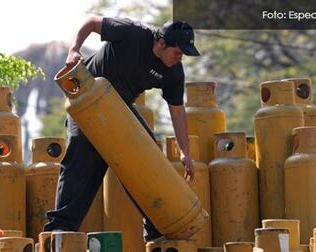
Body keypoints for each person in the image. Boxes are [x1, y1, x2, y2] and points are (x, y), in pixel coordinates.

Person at [44, 14, 200, 242]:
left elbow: (177, 111)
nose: (180, 59)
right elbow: (91, 22)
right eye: (178, 52)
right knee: (81, 161)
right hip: (88, 98)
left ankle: (156, 231)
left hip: (121, 106)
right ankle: (60, 229)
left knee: (147, 158)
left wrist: (185, 152)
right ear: (162, 43)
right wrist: (74, 50)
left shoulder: (173, 72)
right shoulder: (133, 33)